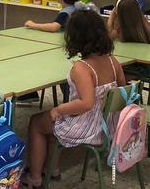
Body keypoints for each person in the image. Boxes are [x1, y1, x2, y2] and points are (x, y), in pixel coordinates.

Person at [25, 10, 125, 188]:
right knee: (51, 124)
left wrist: (59, 109)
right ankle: (52, 169)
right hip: (107, 124)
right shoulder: (113, 60)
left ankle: (34, 177)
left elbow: (86, 103)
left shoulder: (82, 67)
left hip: (88, 128)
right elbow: (123, 90)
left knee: (37, 122)